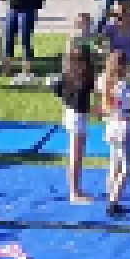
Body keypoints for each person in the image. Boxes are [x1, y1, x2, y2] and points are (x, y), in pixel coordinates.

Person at [54, 46, 95, 204]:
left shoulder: (68, 75)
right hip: (77, 116)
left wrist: (66, 102)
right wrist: (99, 111)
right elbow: (82, 104)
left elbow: (56, 89)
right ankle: (74, 192)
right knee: (76, 156)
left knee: (76, 155)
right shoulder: (82, 80)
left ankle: (76, 190)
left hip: (72, 114)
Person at [100, 50, 130, 217]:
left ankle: (110, 194)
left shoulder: (104, 80)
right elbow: (121, 105)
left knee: (114, 162)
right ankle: (113, 202)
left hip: (111, 124)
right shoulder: (123, 85)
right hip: (122, 125)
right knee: (128, 167)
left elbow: (108, 106)